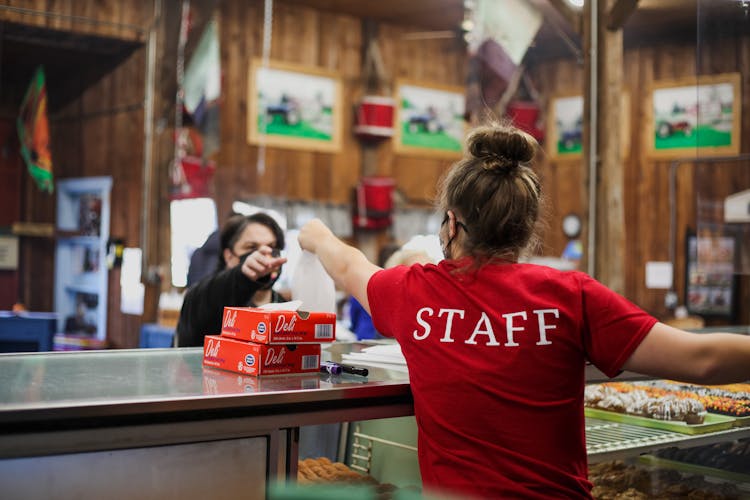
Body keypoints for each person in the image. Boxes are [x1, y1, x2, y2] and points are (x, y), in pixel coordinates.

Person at [297, 122, 750, 499]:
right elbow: (701, 357)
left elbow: (349, 264)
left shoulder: (414, 292)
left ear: (452, 224)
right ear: (527, 226)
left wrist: (315, 235)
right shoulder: (570, 293)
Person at [176, 212, 287, 347]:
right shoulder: (205, 297)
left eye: (272, 246)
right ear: (229, 256)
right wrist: (244, 275)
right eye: (251, 247)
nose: (265, 255)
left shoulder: (286, 309)